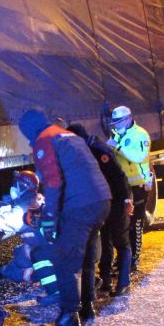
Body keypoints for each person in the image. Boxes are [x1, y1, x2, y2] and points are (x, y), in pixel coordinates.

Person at [19, 109, 111, 326]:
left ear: (30, 129)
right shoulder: (67, 136)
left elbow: (53, 182)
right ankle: (87, 308)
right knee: (86, 258)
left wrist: (50, 217)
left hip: (79, 205)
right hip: (101, 200)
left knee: (64, 259)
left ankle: (69, 316)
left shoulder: (44, 140)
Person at [68, 123, 133, 296]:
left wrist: (127, 200)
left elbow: (120, 177)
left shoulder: (99, 150)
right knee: (106, 240)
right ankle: (106, 281)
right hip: (102, 202)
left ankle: (123, 282)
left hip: (117, 201)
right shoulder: (83, 150)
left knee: (121, 241)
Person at [107, 105, 152, 269]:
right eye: (114, 123)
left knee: (135, 224)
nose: (115, 125)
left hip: (138, 185)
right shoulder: (117, 135)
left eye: (118, 122)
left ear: (127, 119)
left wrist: (117, 147)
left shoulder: (140, 135)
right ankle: (123, 258)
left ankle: (134, 259)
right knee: (121, 224)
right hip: (123, 186)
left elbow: (139, 156)